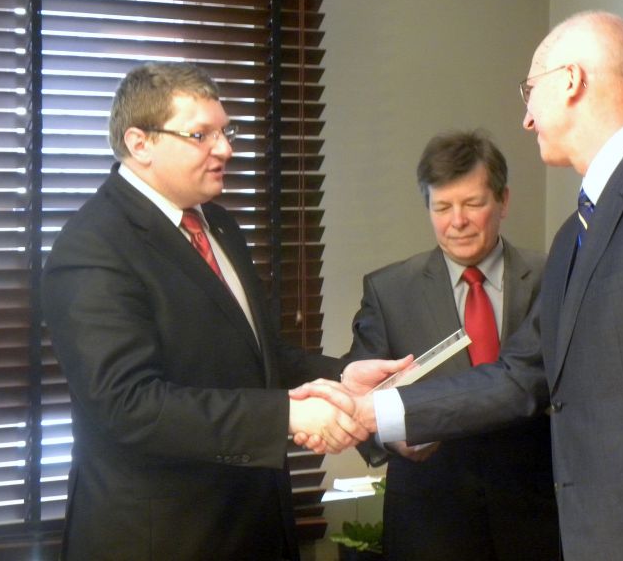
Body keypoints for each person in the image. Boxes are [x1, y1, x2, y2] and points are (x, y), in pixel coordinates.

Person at [295, 11, 623, 560]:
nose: (527, 118)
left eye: (530, 92)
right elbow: (521, 375)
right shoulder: (575, 233)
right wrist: (370, 411)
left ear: (571, 80)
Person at [41, 62, 407, 561]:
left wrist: (341, 379)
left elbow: (257, 357)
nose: (225, 149)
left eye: (225, 132)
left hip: (256, 525)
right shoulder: (93, 245)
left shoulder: (218, 225)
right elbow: (128, 405)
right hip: (165, 539)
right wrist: (288, 414)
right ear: (140, 143)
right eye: (201, 135)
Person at [344, 130, 558, 560]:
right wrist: (392, 438)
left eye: (472, 204)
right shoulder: (389, 290)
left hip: (532, 515)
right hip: (429, 522)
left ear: (503, 201)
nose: (457, 221)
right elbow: (360, 399)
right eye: (442, 207)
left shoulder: (550, 277)